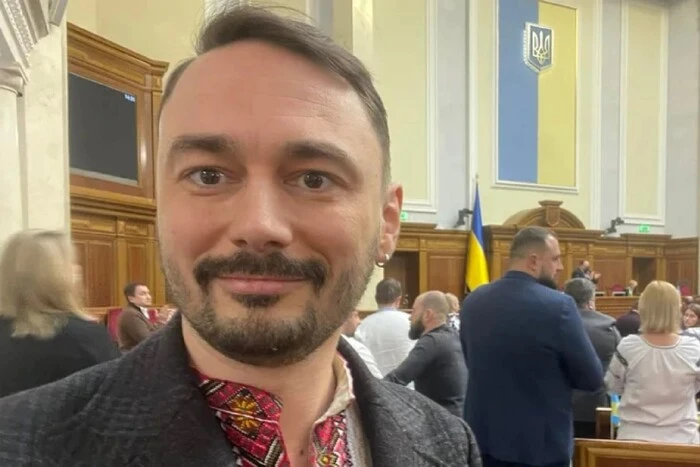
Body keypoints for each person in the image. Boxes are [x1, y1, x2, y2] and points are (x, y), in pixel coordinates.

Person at [0, 5, 481, 466]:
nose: (258, 225)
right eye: (208, 175)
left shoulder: (446, 443)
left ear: (387, 223)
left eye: (314, 179)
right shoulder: (18, 445)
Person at [461, 226, 603, 467]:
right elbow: (592, 378)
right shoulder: (559, 306)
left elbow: (470, 359)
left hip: (483, 440)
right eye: (555, 259)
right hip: (539, 447)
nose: (560, 267)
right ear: (534, 261)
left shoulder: (473, 301)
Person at [0, 230, 119, 398]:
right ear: (58, 276)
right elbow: (119, 398)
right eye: (71, 263)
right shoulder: (85, 338)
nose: (78, 270)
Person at [605, 280, 700, 444]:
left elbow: (613, 387)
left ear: (643, 308)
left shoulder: (628, 347)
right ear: (677, 309)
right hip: (682, 439)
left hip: (634, 438)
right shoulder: (694, 348)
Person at [385, 291, 468, 417]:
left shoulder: (432, 342)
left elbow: (396, 379)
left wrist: (367, 392)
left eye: (414, 311)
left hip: (441, 422)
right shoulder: (454, 337)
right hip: (459, 419)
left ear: (427, 315)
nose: (410, 317)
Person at [564, 278, 621, 439]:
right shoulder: (610, 328)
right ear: (591, 302)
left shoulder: (555, 323)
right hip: (597, 407)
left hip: (562, 407)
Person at [355, 278, 415, 376]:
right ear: (398, 300)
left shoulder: (363, 325)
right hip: (407, 381)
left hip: (375, 381)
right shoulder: (411, 322)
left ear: (376, 298)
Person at [340, 310, 382, 378]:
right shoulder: (358, 349)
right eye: (355, 315)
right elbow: (375, 381)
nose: (359, 322)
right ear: (345, 317)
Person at [117, 281, 158, 351]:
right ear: (131, 299)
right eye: (143, 294)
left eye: (148, 293)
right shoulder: (130, 314)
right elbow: (148, 340)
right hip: (135, 355)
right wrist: (162, 321)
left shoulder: (137, 312)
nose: (148, 297)